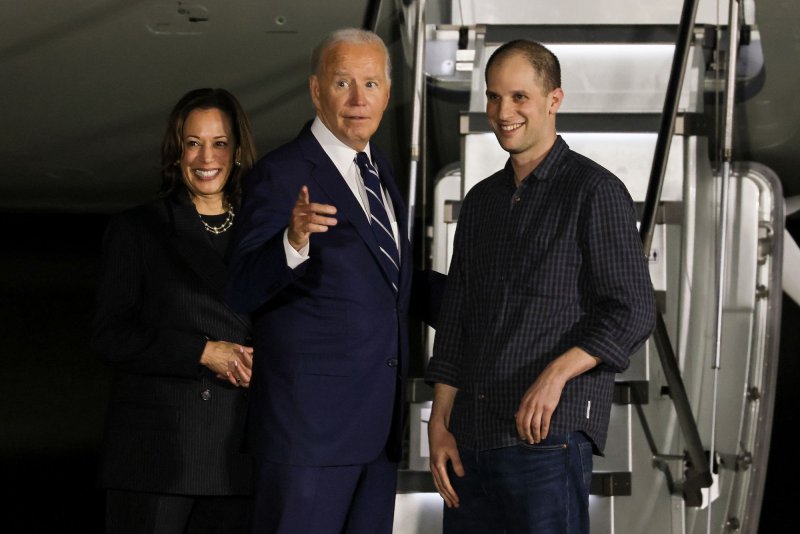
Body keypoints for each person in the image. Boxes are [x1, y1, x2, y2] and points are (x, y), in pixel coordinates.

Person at [425, 39, 657, 533]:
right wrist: (439, 422)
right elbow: (456, 319)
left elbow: (634, 309)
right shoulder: (482, 201)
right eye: (493, 97)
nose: (503, 112)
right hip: (469, 441)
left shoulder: (595, 191)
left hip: (547, 443)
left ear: (554, 99)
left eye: (519, 97)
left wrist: (556, 375)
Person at [225, 28, 411, 534]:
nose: (358, 99)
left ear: (388, 94)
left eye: (371, 84)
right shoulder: (280, 174)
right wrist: (293, 240)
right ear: (315, 91)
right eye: (343, 83)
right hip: (305, 437)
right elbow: (240, 286)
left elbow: (389, 289)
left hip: (375, 436)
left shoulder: (381, 172)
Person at [90, 88, 258, 533]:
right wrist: (201, 351)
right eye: (193, 142)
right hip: (157, 457)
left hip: (239, 454)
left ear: (237, 151)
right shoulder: (138, 230)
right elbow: (108, 335)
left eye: (219, 142)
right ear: (176, 150)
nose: (207, 156)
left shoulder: (265, 233)